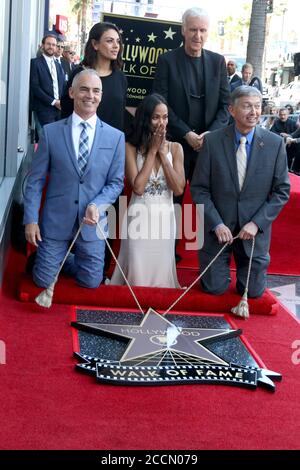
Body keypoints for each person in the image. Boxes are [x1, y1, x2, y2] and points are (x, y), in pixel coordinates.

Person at [24, 69, 125, 289]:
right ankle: (52, 258)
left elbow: (116, 182)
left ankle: (66, 260)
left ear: (101, 95)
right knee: (42, 280)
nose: (90, 95)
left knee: (91, 282)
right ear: (71, 92)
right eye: (84, 89)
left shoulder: (116, 137)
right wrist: (30, 219)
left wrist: (97, 205)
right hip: (56, 221)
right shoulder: (50, 133)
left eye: (96, 91)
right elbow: (35, 181)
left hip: (92, 223)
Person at [190, 86, 290, 298]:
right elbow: (199, 189)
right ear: (231, 110)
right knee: (214, 288)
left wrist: (257, 224)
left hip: (253, 233)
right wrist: (216, 223)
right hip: (217, 231)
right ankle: (218, 270)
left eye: (257, 106)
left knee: (252, 293)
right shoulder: (213, 142)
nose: (253, 112)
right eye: (247, 106)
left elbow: (282, 191)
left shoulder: (274, 144)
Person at [109, 94, 185, 288]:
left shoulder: (176, 148)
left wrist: (162, 154)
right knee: (137, 267)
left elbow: (178, 189)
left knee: (161, 273)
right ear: (145, 119)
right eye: (156, 117)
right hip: (138, 218)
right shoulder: (130, 147)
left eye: (165, 117)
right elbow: (139, 187)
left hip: (165, 219)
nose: (162, 122)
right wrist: (152, 152)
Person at [153, 7, 230, 191]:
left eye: (202, 30)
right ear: (183, 30)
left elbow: (226, 105)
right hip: (175, 143)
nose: (198, 35)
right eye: (193, 29)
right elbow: (160, 103)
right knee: (173, 203)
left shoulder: (218, 62)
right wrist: (186, 133)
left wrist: (211, 134)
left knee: (205, 207)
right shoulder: (167, 61)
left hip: (208, 147)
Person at [61, 21, 127, 132]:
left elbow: (120, 116)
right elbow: (66, 111)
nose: (116, 46)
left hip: (110, 142)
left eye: (118, 41)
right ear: (95, 44)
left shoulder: (120, 78)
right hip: (80, 140)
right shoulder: (79, 74)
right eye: (110, 41)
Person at [30, 34, 65, 139]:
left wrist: (61, 102)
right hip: (44, 109)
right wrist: (54, 102)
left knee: (57, 140)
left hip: (59, 110)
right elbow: (35, 87)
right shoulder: (35, 63)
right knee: (47, 140)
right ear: (42, 45)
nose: (51, 47)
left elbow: (62, 86)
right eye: (48, 44)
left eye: (54, 45)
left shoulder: (58, 65)